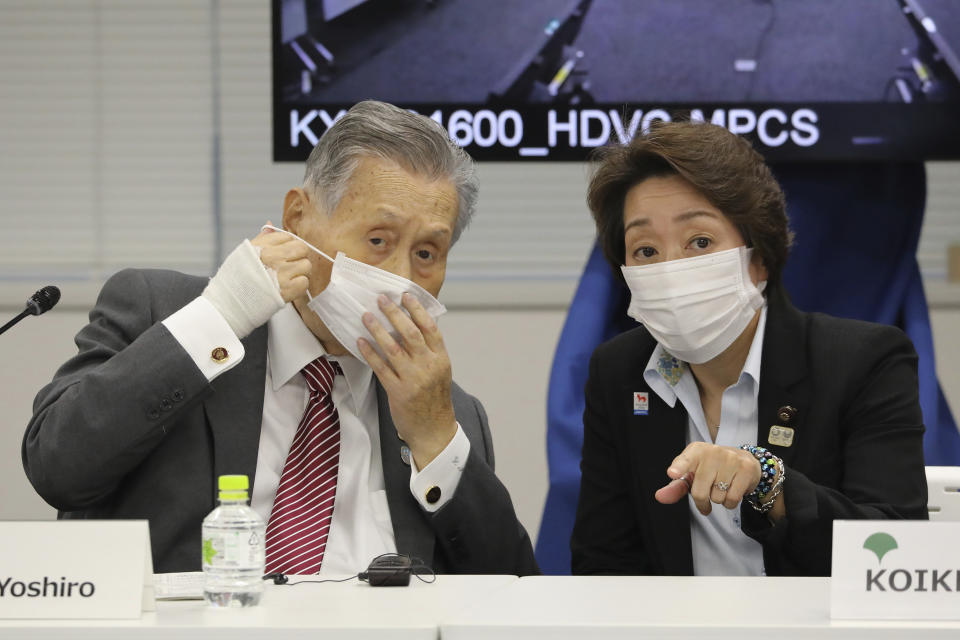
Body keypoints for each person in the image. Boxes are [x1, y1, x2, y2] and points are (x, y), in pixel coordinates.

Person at [24, 100, 538, 576]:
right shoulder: (166, 311)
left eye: (426, 254)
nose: (401, 278)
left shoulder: (450, 414)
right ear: (298, 217)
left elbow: (512, 589)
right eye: (378, 240)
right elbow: (57, 469)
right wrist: (219, 318)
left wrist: (436, 441)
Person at [570, 120, 928, 577]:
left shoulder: (864, 360)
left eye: (700, 242)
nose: (671, 269)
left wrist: (770, 486)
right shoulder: (619, 371)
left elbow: (896, 546)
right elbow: (603, 564)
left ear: (758, 258)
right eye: (645, 251)